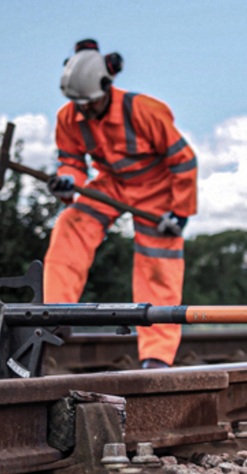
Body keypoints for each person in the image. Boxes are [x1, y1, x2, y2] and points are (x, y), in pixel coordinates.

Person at [43, 39, 198, 368]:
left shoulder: (146, 111)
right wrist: (68, 183)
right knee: (72, 223)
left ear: (106, 87)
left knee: (158, 265)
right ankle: (55, 313)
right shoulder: (69, 115)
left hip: (158, 188)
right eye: (78, 104)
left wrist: (180, 212)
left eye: (89, 103)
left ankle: (157, 355)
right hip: (111, 183)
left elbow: (184, 162)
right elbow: (71, 161)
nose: (83, 110)